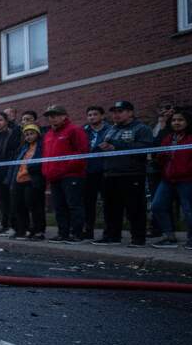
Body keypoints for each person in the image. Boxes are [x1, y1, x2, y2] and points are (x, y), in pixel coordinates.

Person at [93, 100, 154, 246]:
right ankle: (112, 236)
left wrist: (116, 145)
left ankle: (138, 238)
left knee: (134, 208)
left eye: (120, 111)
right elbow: (105, 147)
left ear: (130, 112)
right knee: (111, 208)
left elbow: (145, 148)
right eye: (114, 112)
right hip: (110, 173)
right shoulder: (111, 129)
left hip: (131, 173)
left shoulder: (141, 129)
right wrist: (101, 147)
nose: (116, 115)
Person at [40, 105, 89, 243]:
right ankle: (63, 233)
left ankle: (77, 233)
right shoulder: (48, 134)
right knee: (59, 206)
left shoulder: (74, 130)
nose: (51, 118)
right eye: (49, 116)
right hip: (54, 176)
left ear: (64, 116)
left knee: (74, 204)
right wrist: (47, 171)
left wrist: (65, 168)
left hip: (71, 175)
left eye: (55, 115)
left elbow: (82, 152)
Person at [152, 108, 192, 249]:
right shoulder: (168, 137)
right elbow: (158, 153)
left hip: (187, 179)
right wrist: (162, 156)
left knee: (189, 210)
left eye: (180, 120)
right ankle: (169, 236)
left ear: (188, 122)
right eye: (174, 120)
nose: (176, 123)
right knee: (157, 206)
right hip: (168, 178)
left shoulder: (191, 138)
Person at [6, 124, 46, 239]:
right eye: (26, 135)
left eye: (31, 134)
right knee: (18, 206)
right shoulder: (23, 148)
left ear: (37, 134)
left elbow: (42, 162)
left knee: (34, 206)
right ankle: (22, 230)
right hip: (19, 179)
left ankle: (39, 231)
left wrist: (33, 167)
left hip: (32, 180)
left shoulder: (41, 146)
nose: (29, 137)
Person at [82, 105, 109, 239]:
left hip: (105, 170)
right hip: (88, 170)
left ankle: (108, 231)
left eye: (95, 114)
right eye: (90, 115)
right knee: (88, 202)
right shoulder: (84, 131)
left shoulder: (110, 130)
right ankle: (88, 230)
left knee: (108, 202)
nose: (92, 117)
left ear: (102, 116)